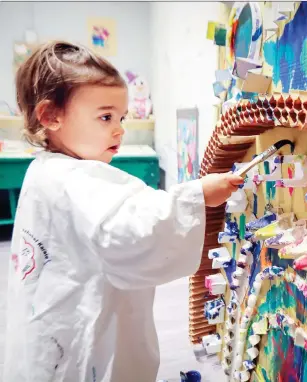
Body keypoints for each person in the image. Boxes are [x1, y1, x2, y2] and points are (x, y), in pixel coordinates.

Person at [4, 41, 244, 381]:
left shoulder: (43, 171)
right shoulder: (76, 181)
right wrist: (198, 195)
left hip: (50, 326)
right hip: (80, 340)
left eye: (121, 117)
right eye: (105, 117)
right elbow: (130, 228)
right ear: (50, 116)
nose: (119, 129)